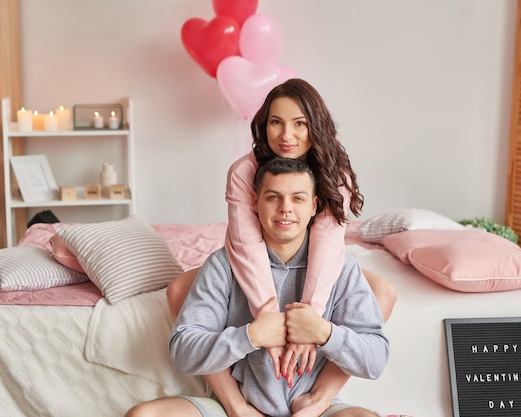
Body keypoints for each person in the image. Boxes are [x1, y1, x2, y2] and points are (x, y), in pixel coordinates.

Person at [167, 79, 397, 385]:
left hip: (316, 253)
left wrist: (310, 322)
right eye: (276, 122)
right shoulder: (244, 172)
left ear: (315, 126)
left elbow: (327, 244)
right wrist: (268, 325)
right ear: (264, 126)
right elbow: (246, 245)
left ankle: (322, 393)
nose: (286, 135)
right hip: (261, 252)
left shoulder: (334, 172)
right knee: (178, 290)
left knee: (384, 291)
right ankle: (230, 398)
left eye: (299, 124)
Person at [126, 157, 389, 417]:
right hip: (237, 406)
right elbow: (183, 353)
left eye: (298, 198)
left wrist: (325, 333)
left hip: (317, 409)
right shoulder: (223, 265)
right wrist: (250, 336)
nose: (285, 208)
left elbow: (376, 359)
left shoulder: (341, 268)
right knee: (143, 415)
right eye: (273, 197)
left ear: (313, 206)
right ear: (255, 202)